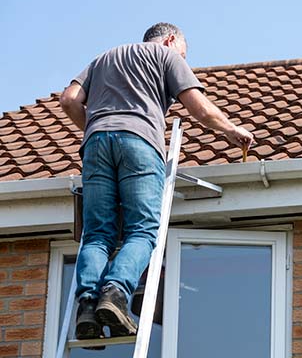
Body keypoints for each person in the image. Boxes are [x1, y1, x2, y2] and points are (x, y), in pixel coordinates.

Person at [60, 22, 254, 341]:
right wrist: (232, 130)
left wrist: (98, 127)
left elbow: (69, 101)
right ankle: (116, 293)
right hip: (139, 142)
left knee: (96, 234)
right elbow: (199, 108)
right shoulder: (165, 56)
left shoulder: (103, 58)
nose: (184, 61)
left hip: (95, 144)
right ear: (170, 39)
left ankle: (87, 306)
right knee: (142, 230)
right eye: (185, 54)